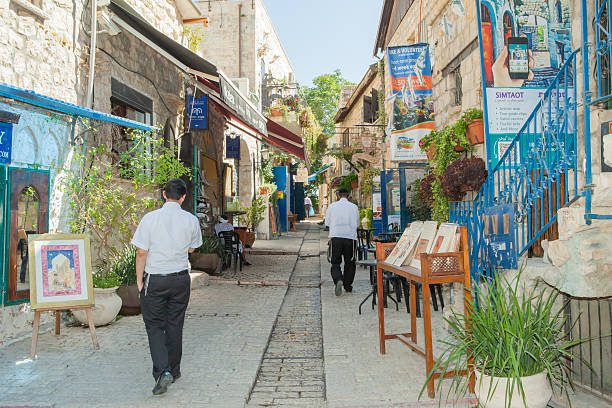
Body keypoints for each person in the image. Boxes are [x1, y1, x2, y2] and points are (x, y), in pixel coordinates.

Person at [131, 179, 202, 396]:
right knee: (175, 323)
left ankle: (163, 371)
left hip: (156, 279)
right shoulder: (191, 220)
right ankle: (174, 369)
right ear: (182, 197)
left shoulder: (150, 219)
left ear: (164, 194)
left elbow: (141, 252)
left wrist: (139, 279)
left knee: (154, 325)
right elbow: (192, 249)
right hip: (180, 279)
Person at [324, 188, 360, 296]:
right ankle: (347, 285)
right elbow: (357, 223)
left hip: (336, 237)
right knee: (350, 262)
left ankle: (338, 279)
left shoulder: (332, 206)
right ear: (349, 196)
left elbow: (327, 223)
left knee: (335, 262)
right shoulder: (354, 207)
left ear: (338, 195)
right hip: (350, 238)